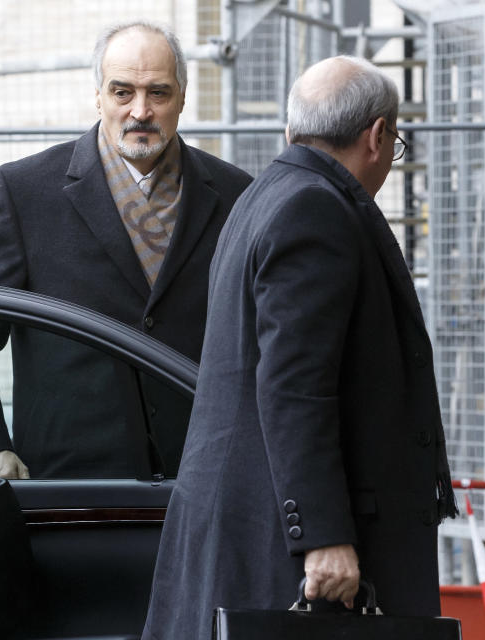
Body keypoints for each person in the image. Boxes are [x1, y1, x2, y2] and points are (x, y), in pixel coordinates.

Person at [142, 56, 459, 639]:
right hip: (289, 550)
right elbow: (295, 385)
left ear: (292, 131)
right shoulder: (315, 209)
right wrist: (323, 536)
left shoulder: (265, 196)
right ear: (379, 136)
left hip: (253, 525)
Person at [0, 21, 252, 479]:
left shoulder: (236, 195)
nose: (140, 110)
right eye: (122, 92)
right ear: (99, 96)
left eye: (159, 93)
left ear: (183, 97)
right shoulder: (25, 193)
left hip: (206, 476)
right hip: (71, 484)